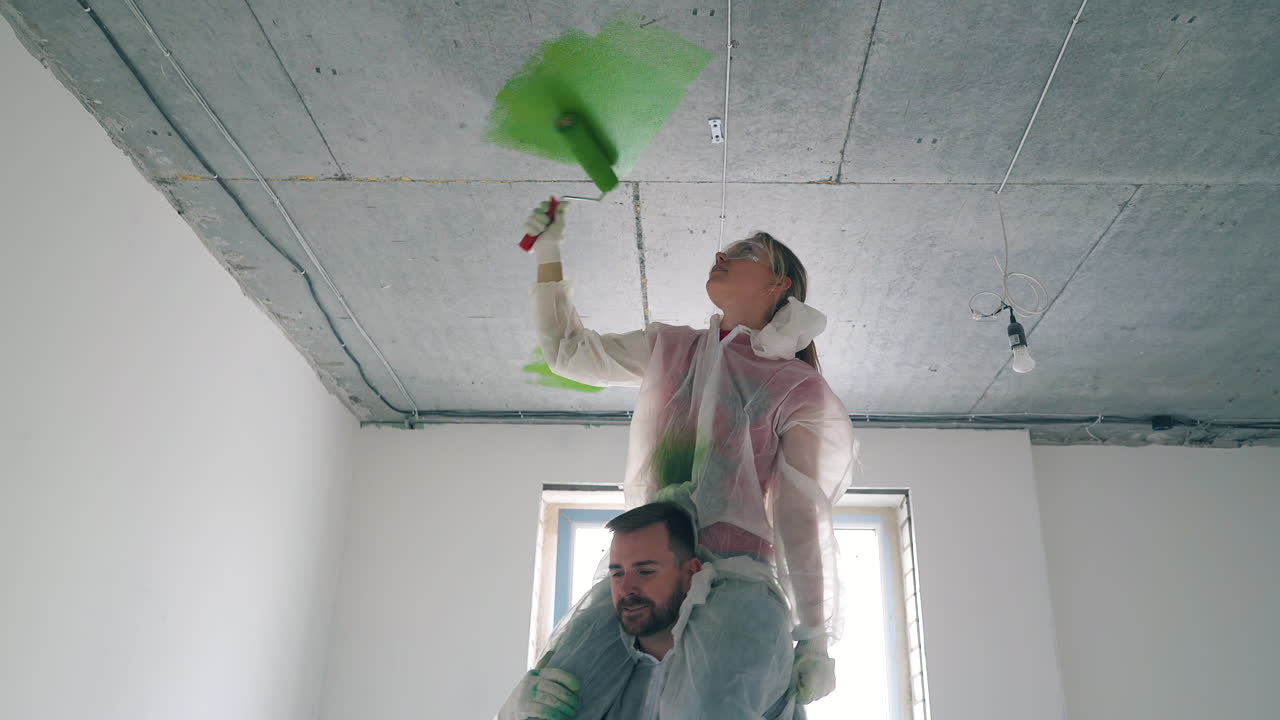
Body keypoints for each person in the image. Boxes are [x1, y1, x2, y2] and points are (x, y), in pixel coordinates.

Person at [517, 200, 859, 717]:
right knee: (554, 700)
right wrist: (549, 250)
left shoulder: (794, 386)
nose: (722, 254)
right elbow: (570, 353)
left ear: (779, 284)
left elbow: (798, 513)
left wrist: (814, 635)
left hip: (735, 581)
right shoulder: (672, 348)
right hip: (651, 567)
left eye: (746, 252)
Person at [498, 503, 796, 720]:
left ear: (690, 573)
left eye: (645, 571)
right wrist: (512, 713)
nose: (626, 588)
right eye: (617, 573)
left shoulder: (732, 663)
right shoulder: (602, 665)